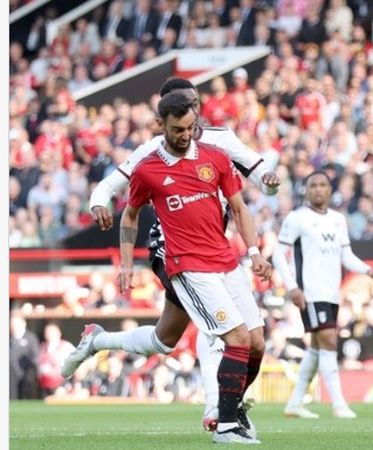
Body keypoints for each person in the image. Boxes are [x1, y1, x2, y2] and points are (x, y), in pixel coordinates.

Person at [64, 77, 279, 433]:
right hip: (171, 248)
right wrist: (98, 204)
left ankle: (98, 340)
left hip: (214, 246)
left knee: (164, 340)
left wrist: (270, 182)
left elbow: (258, 175)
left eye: (192, 104)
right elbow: (113, 191)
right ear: (162, 114)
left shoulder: (220, 142)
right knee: (223, 328)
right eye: (178, 106)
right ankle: (219, 409)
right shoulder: (150, 154)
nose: (188, 114)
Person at [273, 170, 373, 419]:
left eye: (323, 185)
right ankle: (339, 404)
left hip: (332, 292)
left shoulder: (338, 220)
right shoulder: (297, 218)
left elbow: (345, 255)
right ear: (306, 190)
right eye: (313, 185)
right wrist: (292, 287)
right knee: (329, 341)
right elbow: (278, 254)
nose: (318, 189)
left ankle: (295, 402)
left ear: (330, 190)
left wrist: (367, 269)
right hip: (310, 291)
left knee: (318, 348)